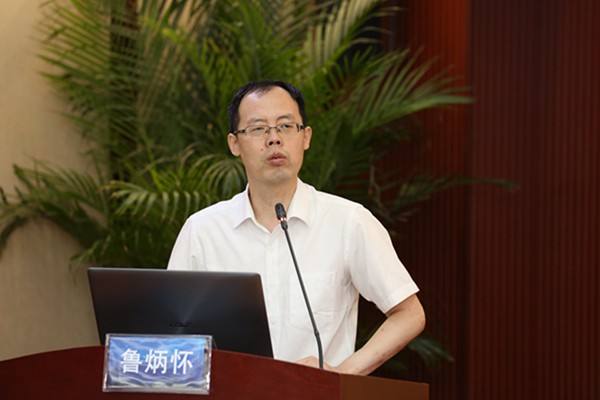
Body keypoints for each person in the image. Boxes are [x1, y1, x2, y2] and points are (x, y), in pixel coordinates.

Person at [167, 79, 425, 375]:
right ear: (234, 144)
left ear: (306, 137)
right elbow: (171, 332)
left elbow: (409, 314)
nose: (274, 139)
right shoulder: (202, 231)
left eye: (286, 126)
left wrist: (341, 376)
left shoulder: (348, 221)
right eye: (258, 129)